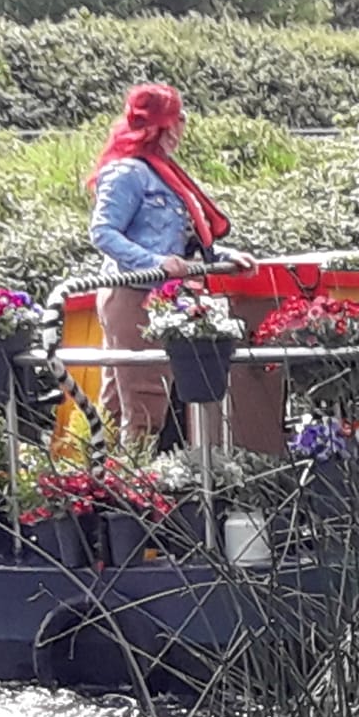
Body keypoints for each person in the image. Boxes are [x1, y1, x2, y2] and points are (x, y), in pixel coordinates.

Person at [86, 83, 284, 450]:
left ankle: (108, 485)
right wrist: (155, 264)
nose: (183, 127)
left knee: (122, 401)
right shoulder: (128, 172)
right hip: (133, 295)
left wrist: (223, 257)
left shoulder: (160, 172)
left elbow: (183, 239)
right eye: (178, 118)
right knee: (142, 400)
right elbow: (103, 232)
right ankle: (131, 494)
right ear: (163, 126)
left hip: (157, 295)